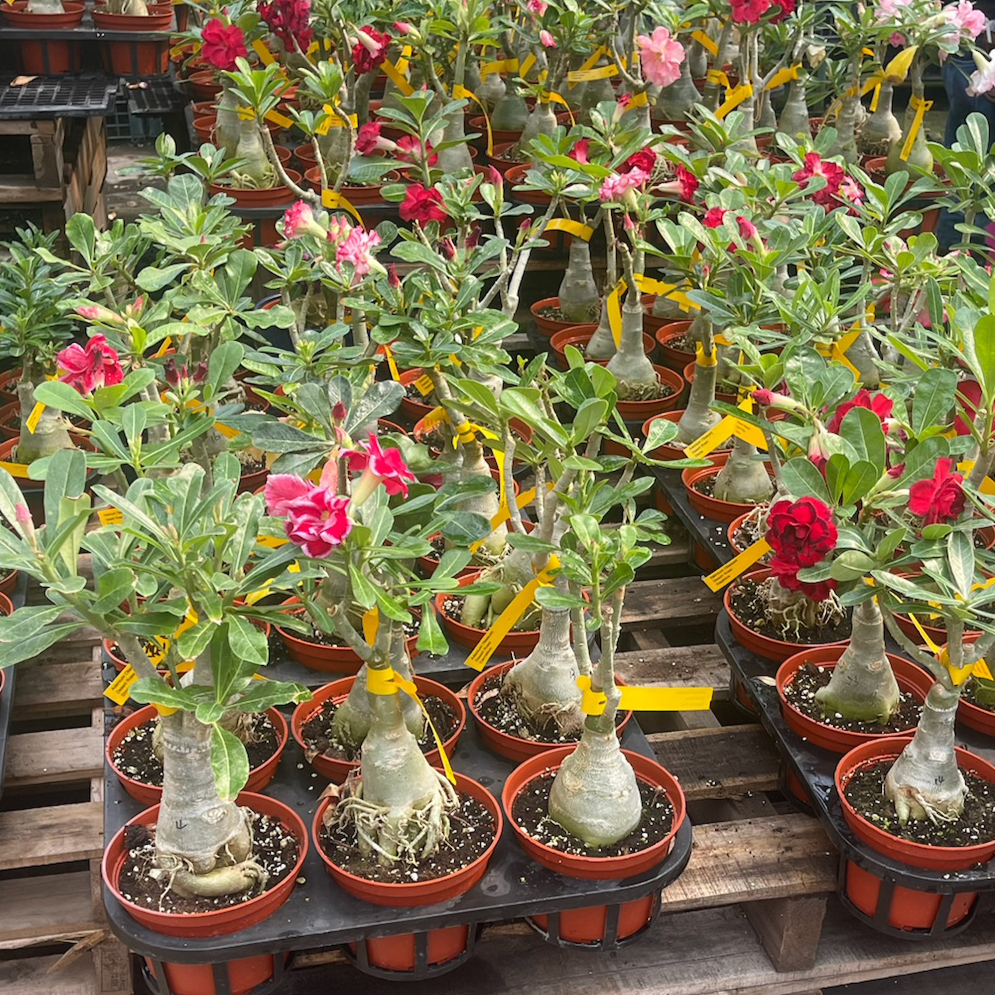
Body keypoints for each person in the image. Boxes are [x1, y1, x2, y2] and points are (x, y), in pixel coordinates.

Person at [937, 8, 995, 251]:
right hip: (976, 47)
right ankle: (961, 259)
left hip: (971, 43)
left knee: (966, 173)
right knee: (971, 174)